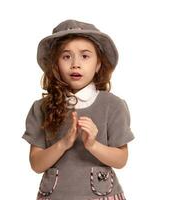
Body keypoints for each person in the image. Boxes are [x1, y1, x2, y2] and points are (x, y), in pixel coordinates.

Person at [22, 19, 135, 200]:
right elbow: (36, 164)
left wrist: (93, 145)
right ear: (55, 64)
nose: (75, 64)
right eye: (66, 56)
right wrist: (63, 144)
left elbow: (121, 159)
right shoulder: (41, 108)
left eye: (85, 56)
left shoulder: (113, 105)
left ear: (98, 64)